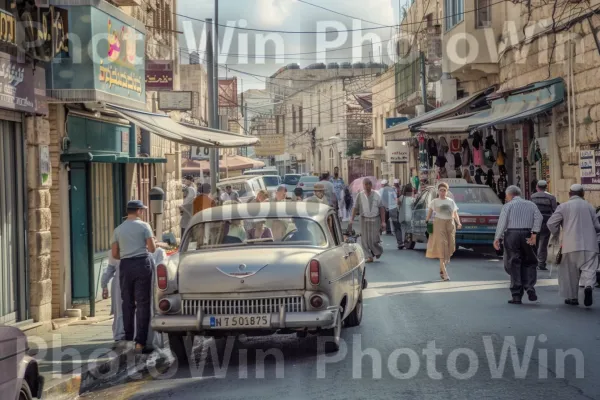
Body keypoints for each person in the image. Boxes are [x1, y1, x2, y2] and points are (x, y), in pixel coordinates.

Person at [111, 200, 156, 352]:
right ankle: (140, 343)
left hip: (125, 266)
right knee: (143, 303)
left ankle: (128, 339)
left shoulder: (118, 229)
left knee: (127, 303)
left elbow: (115, 253)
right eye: (141, 210)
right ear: (138, 211)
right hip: (142, 264)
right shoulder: (144, 226)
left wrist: (126, 255)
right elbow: (152, 248)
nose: (142, 212)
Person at [547, 184, 600, 307]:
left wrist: (556, 233)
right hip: (590, 245)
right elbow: (597, 227)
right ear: (583, 194)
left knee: (569, 273)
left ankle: (572, 298)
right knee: (589, 269)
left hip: (569, 245)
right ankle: (588, 286)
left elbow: (551, 223)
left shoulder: (563, 207)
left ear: (569, 194)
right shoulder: (590, 207)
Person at [493, 185, 543, 305]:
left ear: (509, 195)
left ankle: (516, 295)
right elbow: (539, 218)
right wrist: (534, 233)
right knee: (530, 261)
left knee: (514, 262)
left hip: (512, 235)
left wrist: (497, 238)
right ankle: (529, 287)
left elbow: (502, 223)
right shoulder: (531, 204)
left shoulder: (508, 206)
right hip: (527, 233)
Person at [425, 182, 462, 281]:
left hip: (450, 224)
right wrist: (427, 220)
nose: (442, 192)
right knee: (442, 246)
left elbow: (455, 213)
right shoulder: (435, 201)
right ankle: (445, 273)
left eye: (444, 190)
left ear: (447, 191)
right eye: (441, 190)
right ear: (438, 191)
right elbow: (430, 212)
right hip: (439, 224)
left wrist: (458, 223)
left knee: (450, 247)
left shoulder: (451, 201)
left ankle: (442, 267)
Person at [348, 178, 385, 263]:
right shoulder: (359, 195)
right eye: (366, 184)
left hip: (375, 219)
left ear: (371, 185)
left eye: (369, 184)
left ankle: (378, 250)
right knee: (364, 239)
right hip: (364, 219)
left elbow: (381, 208)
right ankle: (369, 256)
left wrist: (383, 221)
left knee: (374, 239)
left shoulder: (377, 194)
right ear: (363, 185)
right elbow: (355, 207)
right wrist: (351, 219)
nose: (367, 186)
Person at [530, 180, 558, 271]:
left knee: (534, 242)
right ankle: (541, 263)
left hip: (534, 223)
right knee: (543, 243)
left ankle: (533, 261)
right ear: (546, 187)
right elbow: (555, 211)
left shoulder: (532, 197)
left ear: (537, 187)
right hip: (546, 222)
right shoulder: (551, 197)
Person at [397, 183, 414, 249]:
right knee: (408, 229)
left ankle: (403, 242)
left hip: (401, 216)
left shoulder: (401, 197)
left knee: (403, 229)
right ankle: (407, 242)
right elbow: (413, 208)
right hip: (409, 216)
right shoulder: (411, 199)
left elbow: (398, 206)